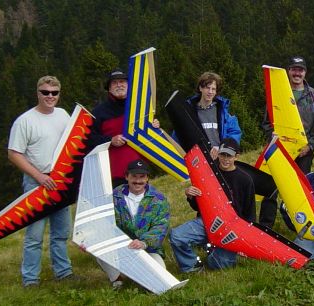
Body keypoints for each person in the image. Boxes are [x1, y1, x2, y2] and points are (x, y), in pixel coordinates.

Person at [7, 75, 76, 287]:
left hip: (60, 181)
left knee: (61, 232)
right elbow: (14, 153)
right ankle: (30, 279)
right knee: (35, 235)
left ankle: (63, 272)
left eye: (54, 93)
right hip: (36, 183)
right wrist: (39, 177)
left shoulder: (63, 115)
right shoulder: (24, 121)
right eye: (45, 92)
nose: (50, 96)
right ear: (38, 93)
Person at [169, 138, 255, 271]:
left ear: (236, 157)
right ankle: (192, 266)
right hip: (207, 221)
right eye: (223, 155)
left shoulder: (245, 179)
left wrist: (245, 241)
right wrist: (190, 196)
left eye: (229, 156)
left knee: (217, 265)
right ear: (218, 154)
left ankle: (213, 251)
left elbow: (249, 212)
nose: (225, 159)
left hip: (231, 228)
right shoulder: (208, 173)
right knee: (177, 236)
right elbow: (197, 207)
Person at [259, 56, 314, 228]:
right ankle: (266, 226)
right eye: (294, 69)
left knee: (299, 191)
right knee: (270, 187)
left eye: (300, 70)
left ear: (305, 72)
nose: (297, 73)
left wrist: (310, 146)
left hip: (304, 152)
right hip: (279, 150)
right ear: (289, 71)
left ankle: (299, 225)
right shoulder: (278, 93)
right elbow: (266, 122)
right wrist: (273, 139)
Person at [96, 159, 171, 289]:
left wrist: (143, 242)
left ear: (147, 178)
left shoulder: (159, 199)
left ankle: (140, 275)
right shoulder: (114, 196)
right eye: (134, 177)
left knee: (159, 283)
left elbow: (161, 227)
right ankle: (117, 279)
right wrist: (89, 239)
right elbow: (103, 221)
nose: (138, 181)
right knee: (99, 250)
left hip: (148, 249)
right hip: (121, 247)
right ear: (126, 176)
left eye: (142, 177)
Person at [87, 69, 146, 187]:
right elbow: (90, 139)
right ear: (109, 88)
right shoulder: (98, 112)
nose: (119, 85)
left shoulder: (139, 107)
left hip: (139, 169)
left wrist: (154, 124)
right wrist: (110, 140)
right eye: (114, 83)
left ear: (129, 85)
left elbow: (148, 132)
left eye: (122, 81)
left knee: (142, 203)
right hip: (113, 172)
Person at [179, 72, 242, 159]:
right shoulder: (189, 111)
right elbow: (178, 135)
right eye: (207, 88)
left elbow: (235, 132)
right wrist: (156, 127)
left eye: (213, 89)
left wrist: (222, 148)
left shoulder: (222, 111)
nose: (210, 92)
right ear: (200, 88)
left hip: (221, 158)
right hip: (198, 160)